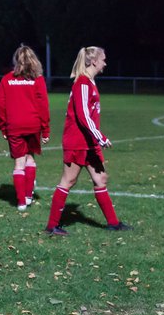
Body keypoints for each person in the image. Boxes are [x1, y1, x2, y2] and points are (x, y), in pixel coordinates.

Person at [44, 46, 130, 235]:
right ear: (93, 61)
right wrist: (101, 137)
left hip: (89, 141)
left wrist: (96, 138)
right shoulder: (82, 83)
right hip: (77, 141)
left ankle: (113, 223)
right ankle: (51, 226)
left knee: (100, 178)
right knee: (69, 180)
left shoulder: (90, 82)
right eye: (103, 59)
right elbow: (83, 116)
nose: (105, 63)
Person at [0, 44, 51, 211]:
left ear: (16, 60)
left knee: (19, 164)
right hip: (33, 125)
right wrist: (45, 129)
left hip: (14, 126)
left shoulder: (7, 79)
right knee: (30, 159)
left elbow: (0, 106)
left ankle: (20, 202)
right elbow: (43, 105)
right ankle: (28, 196)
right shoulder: (38, 79)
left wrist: (3, 127)